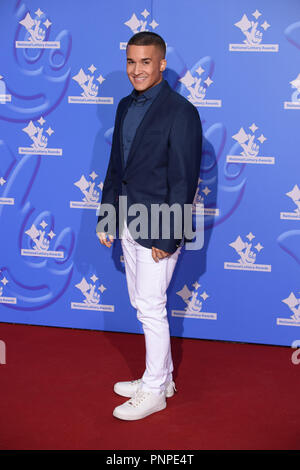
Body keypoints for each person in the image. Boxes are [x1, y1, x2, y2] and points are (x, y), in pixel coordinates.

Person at [96, 31, 202, 421]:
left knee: (152, 309)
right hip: (127, 221)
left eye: (145, 62)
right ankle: (161, 378)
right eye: (130, 61)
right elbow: (116, 168)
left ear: (161, 64)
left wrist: (168, 236)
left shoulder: (181, 112)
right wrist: (108, 215)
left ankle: (155, 391)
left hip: (158, 225)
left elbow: (184, 180)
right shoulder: (125, 105)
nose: (136, 70)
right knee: (143, 304)